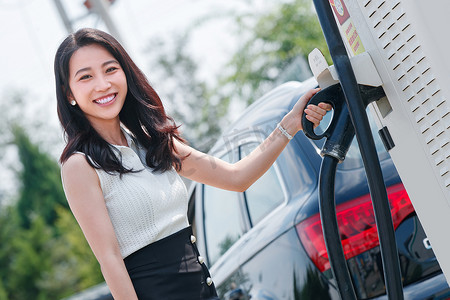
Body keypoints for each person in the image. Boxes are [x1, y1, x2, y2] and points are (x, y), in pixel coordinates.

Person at [54, 28, 331, 300]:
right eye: (86, 77)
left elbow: (237, 177)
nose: (102, 84)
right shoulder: (80, 166)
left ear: (125, 73)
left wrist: (290, 124)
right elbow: (110, 259)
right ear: (69, 93)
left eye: (110, 69)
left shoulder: (153, 143)